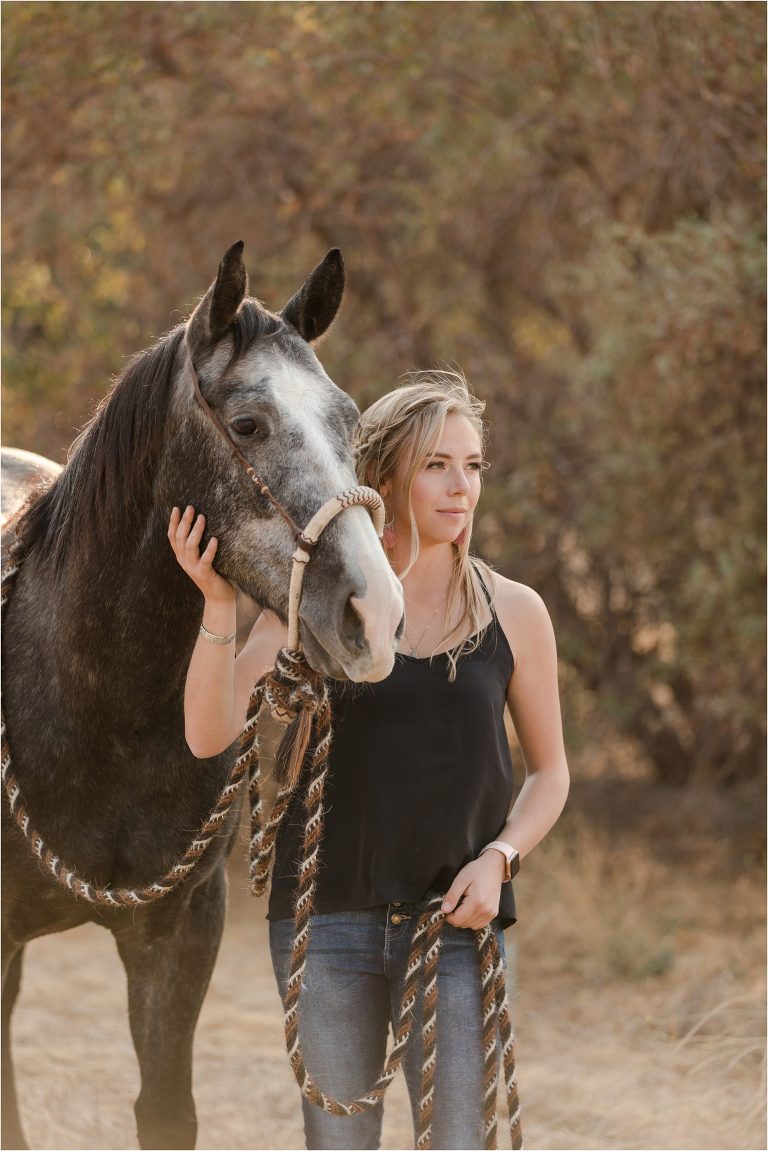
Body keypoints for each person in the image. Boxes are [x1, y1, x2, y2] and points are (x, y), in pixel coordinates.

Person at [168, 370, 570, 1151]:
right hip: (327, 927)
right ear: (382, 475)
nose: (462, 487)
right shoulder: (316, 603)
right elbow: (209, 733)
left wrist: (499, 858)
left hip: (453, 929)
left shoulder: (515, 611)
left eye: (474, 464)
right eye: (437, 465)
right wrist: (221, 605)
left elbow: (551, 773)